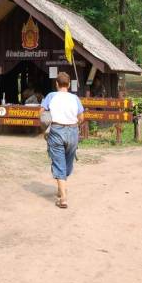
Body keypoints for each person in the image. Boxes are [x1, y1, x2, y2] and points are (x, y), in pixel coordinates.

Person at [39, 72, 85, 209]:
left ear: (57, 84)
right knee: (67, 163)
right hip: (73, 132)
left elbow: (40, 113)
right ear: (69, 84)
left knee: (59, 163)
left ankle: (63, 198)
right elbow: (81, 117)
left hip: (56, 131)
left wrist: (45, 126)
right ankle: (62, 189)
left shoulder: (51, 96)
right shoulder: (75, 98)